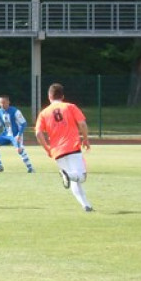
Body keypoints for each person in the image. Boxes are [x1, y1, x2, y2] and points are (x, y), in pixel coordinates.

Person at [35, 83, 93, 212]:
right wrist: (86, 139)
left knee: (74, 180)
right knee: (81, 177)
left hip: (57, 151)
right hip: (72, 147)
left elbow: (38, 133)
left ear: (49, 96)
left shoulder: (44, 113)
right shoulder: (70, 107)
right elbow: (82, 124)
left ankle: (86, 205)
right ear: (62, 96)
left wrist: (47, 149)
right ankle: (67, 175)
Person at [0, 95, 34, 173]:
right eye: (0, 103)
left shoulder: (15, 111)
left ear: (8, 102)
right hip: (5, 135)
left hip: (15, 135)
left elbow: (24, 123)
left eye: (4, 102)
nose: (2, 104)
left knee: (19, 150)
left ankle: (30, 168)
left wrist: (19, 135)